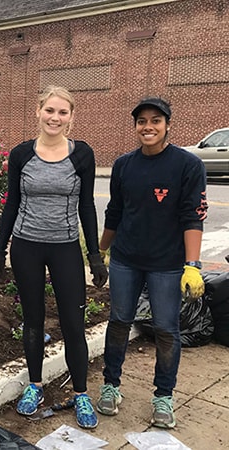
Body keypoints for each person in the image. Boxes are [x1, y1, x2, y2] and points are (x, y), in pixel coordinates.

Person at [0, 86, 107, 429]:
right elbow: (11, 202)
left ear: (72, 117)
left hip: (65, 248)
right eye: (50, 110)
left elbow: (87, 205)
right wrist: (0, 250)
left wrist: (96, 256)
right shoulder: (21, 154)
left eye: (63, 112)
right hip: (27, 246)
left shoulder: (82, 155)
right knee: (34, 321)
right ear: (38, 111)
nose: (55, 118)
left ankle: (81, 393)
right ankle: (35, 386)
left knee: (73, 324)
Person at [96, 97, 207, 428]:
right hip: (126, 260)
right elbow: (114, 212)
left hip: (168, 265)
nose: (148, 126)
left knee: (165, 330)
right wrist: (101, 251)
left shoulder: (188, 166)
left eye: (155, 120)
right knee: (118, 322)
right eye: (141, 121)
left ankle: (163, 397)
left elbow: (193, 217)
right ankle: (110, 386)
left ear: (167, 124)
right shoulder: (124, 165)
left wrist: (192, 264)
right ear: (135, 126)